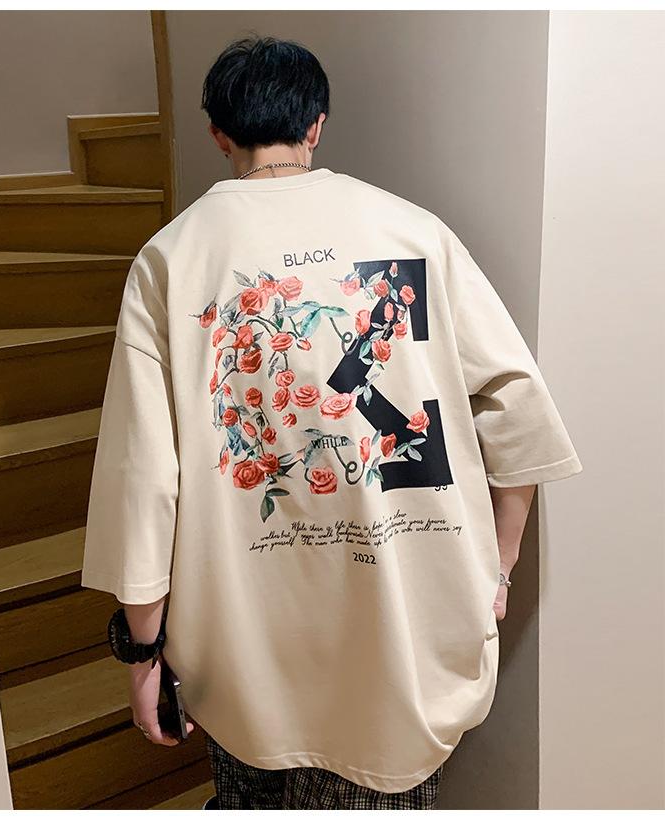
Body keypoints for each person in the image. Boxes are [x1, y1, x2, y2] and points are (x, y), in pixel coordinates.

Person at [81, 35, 582, 810]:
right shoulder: (415, 233)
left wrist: (142, 652)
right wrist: (499, 565)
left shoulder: (171, 259)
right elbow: (517, 402)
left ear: (218, 132)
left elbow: (145, 478)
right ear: (315, 125)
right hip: (400, 642)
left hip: (247, 651)